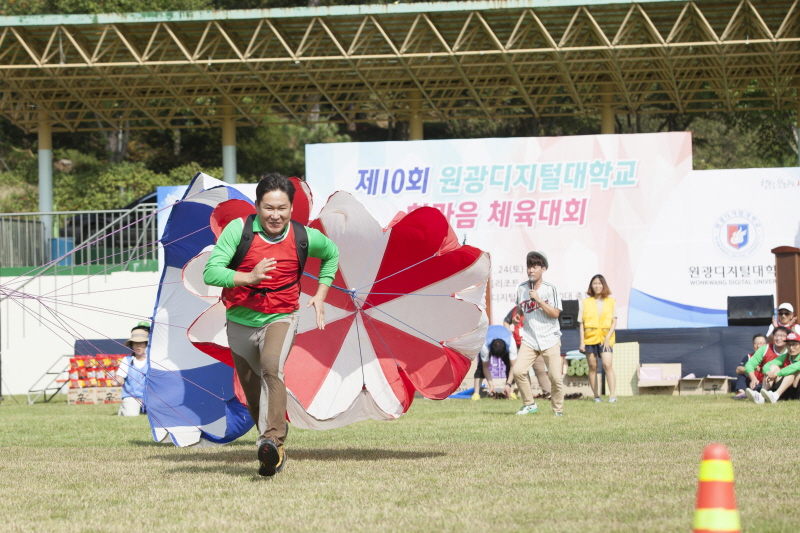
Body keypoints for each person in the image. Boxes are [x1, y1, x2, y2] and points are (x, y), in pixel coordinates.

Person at [203, 173, 339, 477]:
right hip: (239, 320)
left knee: (271, 367)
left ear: (291, 208)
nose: (275, 215)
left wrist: (320, 293)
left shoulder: (304, 236)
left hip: (282, 316)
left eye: (282, 208)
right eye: (268, 208)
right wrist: (248, 278)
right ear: (256, 206)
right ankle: (273, 450)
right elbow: (211, 273)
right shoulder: (238, 232)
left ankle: (272, 441)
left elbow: (331, 254)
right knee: (253, 392)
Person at [512, 251, 564, 417]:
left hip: (550, 338)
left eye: (535, 267)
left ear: (543, 268)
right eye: (529, 267)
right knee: (518, 371)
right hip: (530, 339)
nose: (531, 270)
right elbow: (519, 308)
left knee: (555, 378)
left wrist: (539, 300)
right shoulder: (521, 288)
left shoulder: (550, 289)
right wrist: (517, 316)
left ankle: (557, 410)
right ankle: (530, 404)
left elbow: (555, 313)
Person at [578, 274, 618, 403]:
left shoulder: (611, 302)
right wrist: (582, 342)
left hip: (605, 338)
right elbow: (581, 323)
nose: (597, 285)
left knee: (607, 365)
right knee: (593, 367)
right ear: (591, 286)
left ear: (603, 285)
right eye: (594, 283)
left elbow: (614, 322)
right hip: (590, 338)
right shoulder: (585, 302)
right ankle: (596, 396)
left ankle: (612, 395)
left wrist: (607, 338)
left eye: (599, 283)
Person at [502, 306, 550, 399]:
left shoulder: (536, 308)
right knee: (523, 371)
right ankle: (527, 396)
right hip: (520, 345)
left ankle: (548, 393)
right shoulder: (516, 310)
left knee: (540, 370)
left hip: (535, 344)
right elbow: (506, 321)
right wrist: (510, 333)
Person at [744, 326, 789, 404]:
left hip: (784, 381)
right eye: (776, 335)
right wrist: (753, 378)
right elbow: (750, 364)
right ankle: (760, 394)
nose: (778, 338)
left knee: (774, 367)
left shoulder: (791, 349)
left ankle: (761, 394)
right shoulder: (765, 348)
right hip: (767, 380)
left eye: (782, 336)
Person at [472, 325, 517, 400]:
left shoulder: (511, 343)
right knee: (480, 367)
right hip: (487, 336)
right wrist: (491, 384)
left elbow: (513, 367)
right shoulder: (485, 344)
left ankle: (511, 393)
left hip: (505, 338)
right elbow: (485, 367)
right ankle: (476, 394)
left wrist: (508, 384)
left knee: (510, 367)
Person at [117, 326, 150, 417]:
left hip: (150, 397)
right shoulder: (126, 359)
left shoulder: (151, 360)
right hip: (131, 396)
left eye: (141, 343)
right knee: (131, 415)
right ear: (131, 345)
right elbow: (120, 377)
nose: (138, 346)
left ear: (146, 344)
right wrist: (117, 380)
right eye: (135, 343)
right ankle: (124, 408)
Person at [759, 332, 800, 403]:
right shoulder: (786, 356)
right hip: (786, 389)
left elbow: (793, 367)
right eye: (788, 345)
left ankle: (776, 395)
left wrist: (776, 374)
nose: (791, 348)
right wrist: (768, 372)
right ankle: (761, 395)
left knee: (793, 372)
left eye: (794, 345)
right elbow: (767, 365)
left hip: (797, 391)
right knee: (773, 367)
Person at [732, 334, 767, 400]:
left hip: (764, 383)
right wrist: (752, 368)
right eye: (756, 344)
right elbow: (738, 370)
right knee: (741, 375)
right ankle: (741, 393)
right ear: (753, 346)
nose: (758, 346)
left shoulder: (770, 356)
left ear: (767, 345)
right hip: (751, 382)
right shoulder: (749, 356)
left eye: (761, 343)